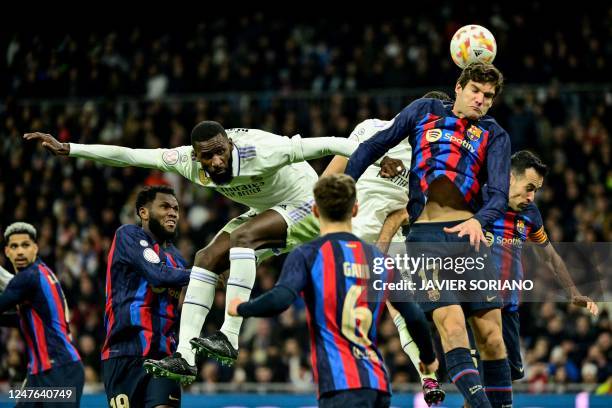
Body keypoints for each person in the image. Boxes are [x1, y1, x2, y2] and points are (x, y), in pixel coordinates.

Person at [24, 122, 372, 383]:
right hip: (266, 211)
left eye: (222, 151)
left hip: (304, 205)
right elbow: (128, 155)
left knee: (243, 238)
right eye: (208, 156)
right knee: (205, 258)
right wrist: (69, 148)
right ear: (195, 155)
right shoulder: (187, 162)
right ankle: (185, 355)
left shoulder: (263, 150)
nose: (217, 161)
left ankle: (229, 337)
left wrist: (379, 154)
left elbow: (332, 144)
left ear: (230, 144)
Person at [345, 62, 511, 408]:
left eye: (488, 96)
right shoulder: (425, 111)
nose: (481, 100)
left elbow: (498, 194)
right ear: (459, 87)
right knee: (452, 330)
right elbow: (374, 146)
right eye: (476, 91)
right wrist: (347, 183)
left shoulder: (495, 134)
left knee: (492, 339)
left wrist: (481, 221)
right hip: (425, 239)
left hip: (471, 236)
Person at [227, 174, 439, 408]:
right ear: (355, 209)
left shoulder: (309, 254)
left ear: (316, 211)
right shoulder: (379, 259)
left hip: (341, 386)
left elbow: (281, 299)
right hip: (378, 384)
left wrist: (240, 307)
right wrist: (428, 359)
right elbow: (414, 316)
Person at [319, 90, 453, 406]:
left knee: (403, 310)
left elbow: (417, 212)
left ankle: (427, 377)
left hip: (394, 236)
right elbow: (331, 174)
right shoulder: (371, 129)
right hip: (352, 230)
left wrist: (391, 229)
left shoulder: (436, 159)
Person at [474, 150, 598, 381]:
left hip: (508, 309)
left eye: (536, 191)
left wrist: (573, 293)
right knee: (481, 380)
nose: (532, 197)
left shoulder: (530, 214)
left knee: (508, 376)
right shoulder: (478, 198)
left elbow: (550, 256)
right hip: (478, 308)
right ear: (509, 177)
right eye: (529, 188)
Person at [101, 185, 191, 407]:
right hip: (123, 353)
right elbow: (157, 275)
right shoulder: (128, 235)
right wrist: (205, 273)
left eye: (176, 209)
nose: (173, 213)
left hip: (164, 357)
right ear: (144, 212)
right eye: (165, 206)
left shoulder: (177, 260)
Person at [0, 222, 84, 407]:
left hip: (59, 372)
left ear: (35, 248)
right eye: (14, 246)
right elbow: (26, 319)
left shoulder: (28, 278)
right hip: (40, 374)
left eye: (25, 245)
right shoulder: (40, 273)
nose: (20, 252)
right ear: (7, 251)